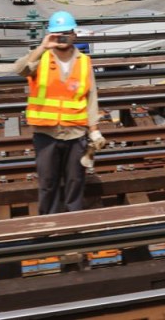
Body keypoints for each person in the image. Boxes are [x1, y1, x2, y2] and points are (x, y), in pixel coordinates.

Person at [14, 11, 105, 215]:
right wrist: (42, 47)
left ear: (74, 34)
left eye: (65, 33)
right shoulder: (40, 59)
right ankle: (49, 223)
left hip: (75, 134)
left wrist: (95, 130)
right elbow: (19, 69)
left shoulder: (84, 62)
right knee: (47, 182)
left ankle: (73, 223)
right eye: (56, 34)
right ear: (50, 35)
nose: (61, 38)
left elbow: (91, 98)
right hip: (46, 134)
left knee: (75, 181)